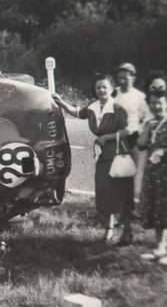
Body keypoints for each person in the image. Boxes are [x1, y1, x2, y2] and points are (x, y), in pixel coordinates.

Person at [54, 74, 134, 245]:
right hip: (103, 155)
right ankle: (109, 229)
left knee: (120, 192)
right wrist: (61, 102)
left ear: (111, 89)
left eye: (104, 87)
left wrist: (107, 138)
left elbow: (128, 130)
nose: (101, 90)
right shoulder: (93, 107)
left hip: (119, 153)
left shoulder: (117, 108)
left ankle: (127, 231)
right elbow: (78, 112)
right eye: (98, 87)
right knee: (104, 192)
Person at [137, 90, 167, 265]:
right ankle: (160, 248)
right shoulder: (151, 123)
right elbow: (140, 145)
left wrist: (163, 151)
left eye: (160, 102)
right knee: (157, 210)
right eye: (153, 103)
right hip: (154, 174)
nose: (156, 106)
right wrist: (147, 127)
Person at [114, 63, 152, 198]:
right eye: (120, 76)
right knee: (118, 172)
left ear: (133, 77)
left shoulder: (139, 96)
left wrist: (142, 132)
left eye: (126, 76)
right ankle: (119, 206)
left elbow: (148, 116)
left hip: (134, 138)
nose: (123, 79)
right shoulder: (114, 93)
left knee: (136, 173)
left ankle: (135, 205)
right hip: (118, 139)